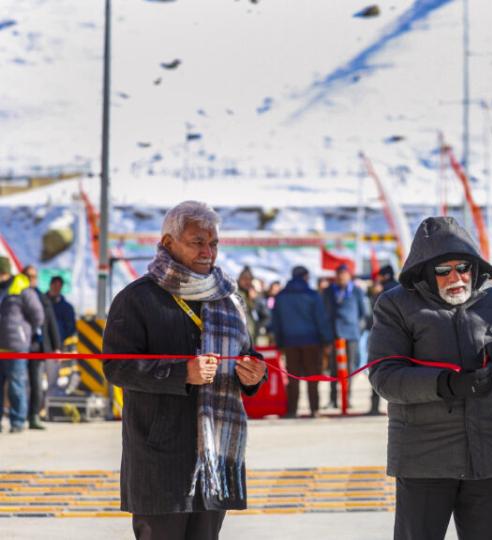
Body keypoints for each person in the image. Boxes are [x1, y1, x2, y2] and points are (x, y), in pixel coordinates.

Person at [368, 216, 492, 540]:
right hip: (424, 457)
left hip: (489, 453)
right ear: (424, 271)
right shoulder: (395, 305)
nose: (455, 277)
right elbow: (384, 377)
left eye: (462, 267)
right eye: (443, 271)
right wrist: (444, 384)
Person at [103, 201, 267, 540]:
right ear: (167, 243)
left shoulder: (229, 299)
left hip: (215, 459)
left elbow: (244, 353)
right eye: (197, 242)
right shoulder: (138, 298)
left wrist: (253, 373)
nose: (208, 251)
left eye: (214, 243)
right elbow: (117, 368)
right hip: (160, 459)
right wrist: (182, 373)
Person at [271, 266, 332, 418]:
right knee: (313, 377)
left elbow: (276, 322)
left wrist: (279, 343)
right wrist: (326, 340)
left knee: (293, 378)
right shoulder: (312, 295)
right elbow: (321, 319)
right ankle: (314, 409)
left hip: (289, 342)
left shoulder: (281, 296)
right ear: (305, 276)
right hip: (311, 341)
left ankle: (292, 410)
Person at [0, 266, 44, 434]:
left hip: (16, 346)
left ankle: (18, 421)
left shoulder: (22, 290)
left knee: (16, 384)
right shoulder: (3, 290)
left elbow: (38, 315)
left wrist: (25, 333)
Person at [323, 263, 368, 409]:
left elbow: (363, 314)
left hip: (351, 335)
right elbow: (323, 313)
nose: (341, 277)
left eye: (344, 274)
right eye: (339, 274)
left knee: (349, 368)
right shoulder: (329, 291)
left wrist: (357, 331)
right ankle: (332, 399)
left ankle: (346, 398)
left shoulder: (356, 291)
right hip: (334, 334)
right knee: (333, 368)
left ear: (349, 275)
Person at [22, 265, 61, 430]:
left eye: (34, 276)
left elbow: (51, 321)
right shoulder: (16, 294)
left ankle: (34, 416)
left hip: (37, 347)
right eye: (29, 276)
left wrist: (56, 346)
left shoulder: (41, 297)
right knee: (18, 383)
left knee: (37, 384)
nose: (32, 279)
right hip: (18, 347)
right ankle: (18, 415)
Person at [366, 265, 400, 415]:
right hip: (402, 338)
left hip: (382, 337)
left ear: (384, 276)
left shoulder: (382, 293)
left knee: (379, 371)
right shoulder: (402, 290)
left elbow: (373, 314)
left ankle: (374, 407)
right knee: (399, 373)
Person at [46, 275, 77, 350]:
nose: (56, 288)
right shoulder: (41, 303)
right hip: (42, 345)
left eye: (59, 285)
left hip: (60, 345)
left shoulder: (67, 308)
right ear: (50, 285)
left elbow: (71, 327)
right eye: (54, 285)